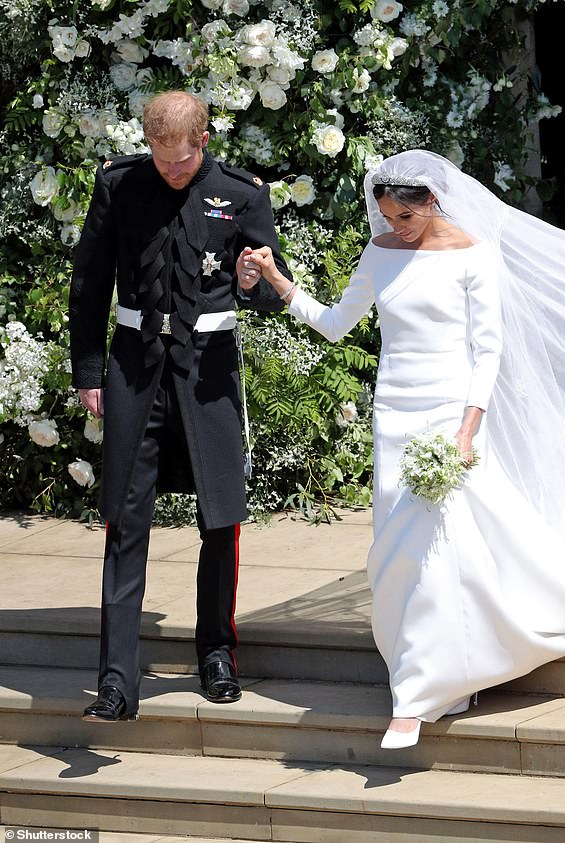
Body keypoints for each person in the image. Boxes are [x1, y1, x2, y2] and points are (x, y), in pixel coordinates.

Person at [237, 149, 565, 749]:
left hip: (451, 413)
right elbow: (336, 322)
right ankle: (446, 673)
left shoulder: (473, 255)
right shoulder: (379, 254)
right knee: (399, 551)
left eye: (405, 216)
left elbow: (489, 349)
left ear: (433, 202)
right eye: (387, 216)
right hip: (393, 414)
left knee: (440, 547)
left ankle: (419, 695)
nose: (395, 226)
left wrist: (468, 430)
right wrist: (275, 278)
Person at [69, 90, 292, 722]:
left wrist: (254, 284)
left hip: (209, 373)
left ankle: (216, 652)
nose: (172, 169)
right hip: (135, 370)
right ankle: (116, 680)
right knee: (124, 517)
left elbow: (267, 295)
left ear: (203, 141)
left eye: (183, 158)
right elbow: (90, 281)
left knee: (221, 517)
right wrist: (89, 369)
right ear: (149, 143)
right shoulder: (119, 185)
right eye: (161, 157)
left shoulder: (243, 194)